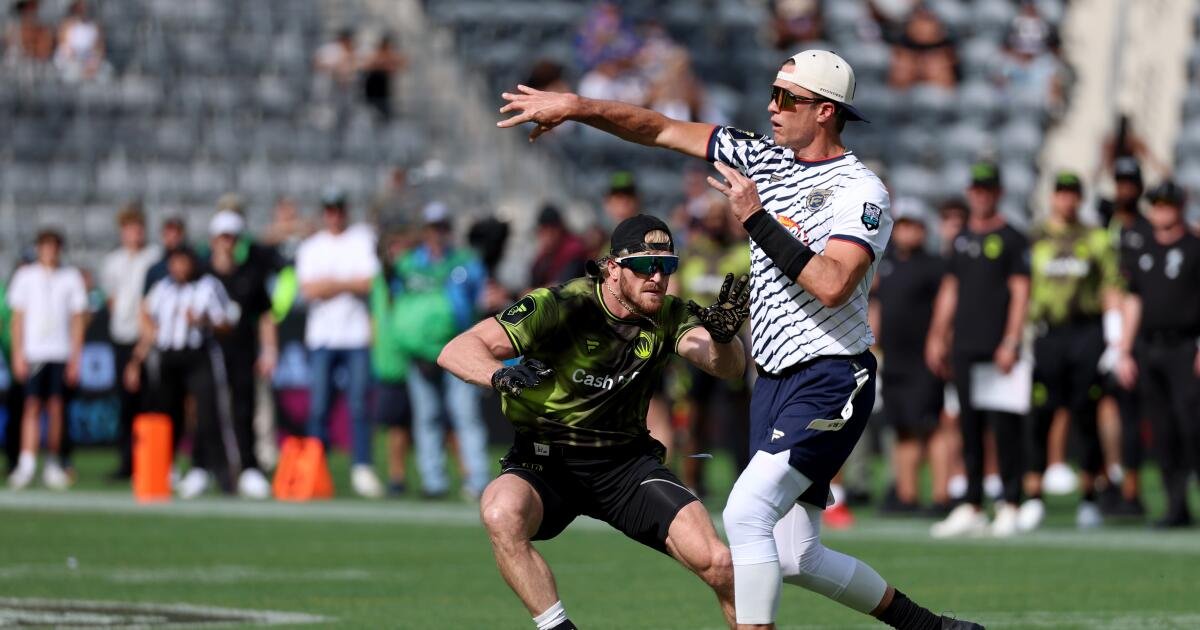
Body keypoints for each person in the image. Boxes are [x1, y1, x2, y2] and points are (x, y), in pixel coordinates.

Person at [497, 48, 982, 630]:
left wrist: (755, 218)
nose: (772, 109)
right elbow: (660, 127)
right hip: (772, 380)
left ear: (825, 112)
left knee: (745, 511)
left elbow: (831, 284)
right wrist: (576, 107)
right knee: (795, 556)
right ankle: (933, 628)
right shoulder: (760, 156)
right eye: (772, 94)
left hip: (831, 374)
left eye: (787, 99)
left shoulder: (861, 190)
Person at [439, 215, 748, 629]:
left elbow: (724, 366)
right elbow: (458, 349)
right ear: (612, 268)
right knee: (500, 511)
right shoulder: (561, 305)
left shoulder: (669, 315)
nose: (657, 277)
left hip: (624, 465)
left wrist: (727, 340)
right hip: (545, 462)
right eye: (644, 265)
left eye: (667, 266)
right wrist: (499, 374)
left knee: (720, 563)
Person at [926, 162, 1031, 539]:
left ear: (998, 193)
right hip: (965, 348)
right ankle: (971, 504)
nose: (981, 195)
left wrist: (1011, 341)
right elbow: (950, 290)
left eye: (988, 189)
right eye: (976, 189)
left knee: (1004, 428)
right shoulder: (962, 239)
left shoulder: (1013, 238)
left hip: (998, 349)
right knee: (968, 426)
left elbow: (1021, 293)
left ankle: (1010, 502)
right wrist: (938, 335)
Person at [1021, 172, 1123, 531]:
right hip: (1046, 333)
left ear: (1079, 198)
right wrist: (1022, 335)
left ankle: (1090, 497)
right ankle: (1033, 495)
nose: (1066, 200)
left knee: (1085, 413)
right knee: (1041, 413)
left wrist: (1114, 339)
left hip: (1086, 332)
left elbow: (1112, 285)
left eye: (1072, 194)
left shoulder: (1095, 238)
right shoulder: (1034, 237)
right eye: (1061, 193)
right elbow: (1022, 288)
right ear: (1053, 197)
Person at [1115, 181, 1200, 528]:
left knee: (1192, 425)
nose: (1163, 210)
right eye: (1157, 204)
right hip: (1150, 347)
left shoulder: (1195, 247)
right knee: (1162, 431)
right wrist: (1123, 350)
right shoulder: (1143, 247)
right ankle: (1175, 505)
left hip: (1186, 347)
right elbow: (1134, 299)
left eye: (1169, 204)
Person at [393, 202, 490, 500]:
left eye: (442, 227)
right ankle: (433, 480)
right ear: (425, 231)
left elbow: (482, 298)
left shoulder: (465, 263)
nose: (438, 234)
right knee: (427, 416)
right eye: (433, 228)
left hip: (458, 346)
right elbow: (400, 305)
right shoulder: (409, 264)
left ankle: (478, 480)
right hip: (419, 352)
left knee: (465, 414)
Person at [126, 247, 237, 498]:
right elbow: (146, 316)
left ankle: (212, 469)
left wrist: (203, 321)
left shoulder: (208, 286)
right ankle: (165, 466)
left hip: (198, 355)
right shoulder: (162, 288)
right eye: (174, 262)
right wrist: (137, 357)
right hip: (169, 357)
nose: (178, 268)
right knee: (167, 413)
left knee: (206, 413)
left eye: (183, 262)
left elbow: (227, 322)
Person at [295, 186, 384, 498]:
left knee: (359, 405)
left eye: (338, 209)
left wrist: (330, 284)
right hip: (323, 337)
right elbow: (308, 290)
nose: (334, 215)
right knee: (319, 406)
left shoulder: (359, 240)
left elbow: (367, 282)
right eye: (329, 209)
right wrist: (344, 284)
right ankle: (315, 467)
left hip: (355, 335)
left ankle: (362, 467)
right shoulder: (312, 247)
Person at [869, 198, 951, 514]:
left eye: (912, 226)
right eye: (902, 225)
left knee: (931, 426)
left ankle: (943, 495)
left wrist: (939, 340)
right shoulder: (885, 265)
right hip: (895, 358)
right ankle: (907, 495)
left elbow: (947, 306)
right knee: (901, 426)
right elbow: (875, 304)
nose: (906, 232)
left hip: (924, 358)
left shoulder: (934, 265)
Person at [6, 229, 87, 490]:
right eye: (45, 246)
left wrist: (76, 356)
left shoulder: (70, 277)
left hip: (60, 352)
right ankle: (26, 462)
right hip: (34, 353)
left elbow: (78, 320)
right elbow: (17, 319)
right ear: (39, 248)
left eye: (54, 246)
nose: (49, 251)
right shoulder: (25, 276)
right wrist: (18, 353)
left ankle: (53, 462)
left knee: (56, 407)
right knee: (31, 406)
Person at [207, 210, 276, 499]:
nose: (228, 243)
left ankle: (249, 467)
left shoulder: (249, 273)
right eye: (224, 237)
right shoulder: (203, 274)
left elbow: (265, 315)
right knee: (210, 411)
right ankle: (210, 467)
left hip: (242, 351)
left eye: (233, 237)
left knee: (244, 408)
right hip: (208, 355)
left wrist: (270, 350)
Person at [99, 204, 161, 480]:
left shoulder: (153, 258)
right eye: (129, 228)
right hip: (122, 336)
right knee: (126, 402)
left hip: (147, 337)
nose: (134, 233)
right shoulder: (113, 262)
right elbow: (112, 300)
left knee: (149, 400)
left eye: (138, 227)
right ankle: (127, 461)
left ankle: (150, 460)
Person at [370, 223, 416, 495]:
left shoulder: (413, 276)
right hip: (390, 362)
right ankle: (392, 476)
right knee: (393, 422)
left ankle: (468, 478)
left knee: (441, 423)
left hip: (416, 356)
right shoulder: (380, 280)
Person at [529, 204, 589, 290]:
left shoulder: (574, 250)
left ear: (560, 230)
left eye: (552, 231)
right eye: (544, 231)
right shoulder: (542, 257)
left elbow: (563, 285)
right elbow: (533, 282)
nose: (548, 237)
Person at [53, 0, 107, 82]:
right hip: (71, 61)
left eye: (84, 8)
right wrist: (73, 58)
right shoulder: (66, 25)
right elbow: (64, 45)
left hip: (89, 61)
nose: (82, 10)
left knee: (104, 74)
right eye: (79, 8)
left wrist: (93, 63)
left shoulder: (94, 27)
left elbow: (99, 48)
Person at [360, 34, 405, 120]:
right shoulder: (375, 54)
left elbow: (402, 63)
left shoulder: (390, 55)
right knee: (374, 109)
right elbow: (367, 65)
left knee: (384, 109)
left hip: (384, 87)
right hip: (374, 85)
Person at [144, 217, 187, 295]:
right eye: (169, 233)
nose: (173, 237)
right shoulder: (156, 270)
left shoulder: (194, 267)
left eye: (177, 233)